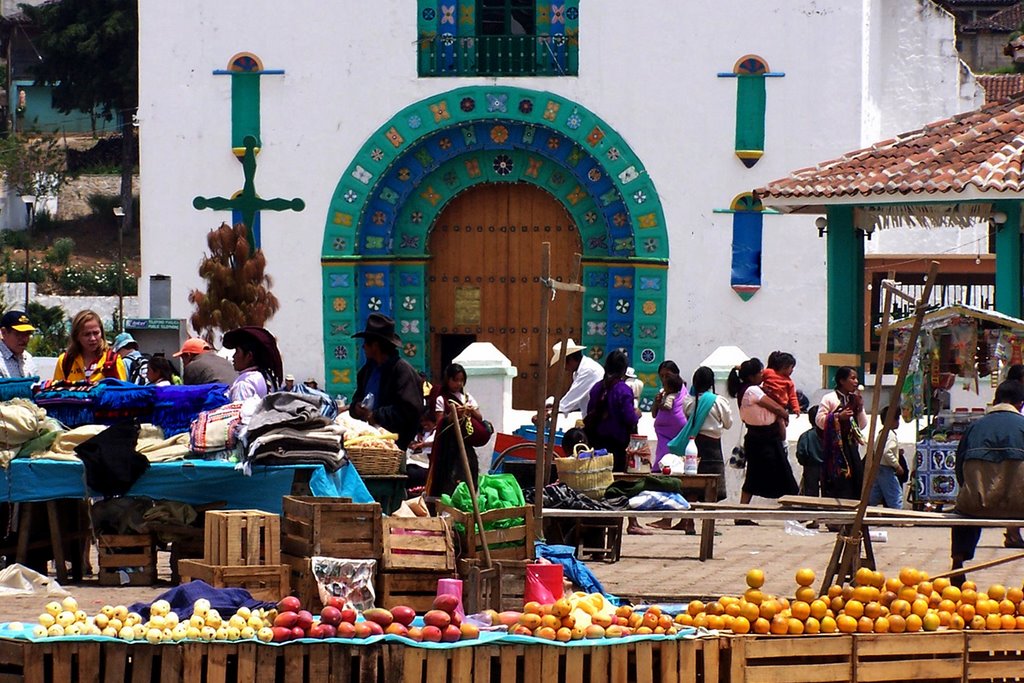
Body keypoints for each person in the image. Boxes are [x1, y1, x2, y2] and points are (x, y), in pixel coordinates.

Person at [949, 380, 1024, 585]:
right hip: (1021, 507)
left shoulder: (975, 427)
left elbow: (959, 469)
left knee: (963, 508)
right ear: (1020, 404)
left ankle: (958, 561)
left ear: (995, 400)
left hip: (977, 506)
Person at [583, 349, 647, 535]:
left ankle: (600, 523)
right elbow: (629, 418)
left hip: (597, 444)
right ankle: (630, 522)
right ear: (624, 370)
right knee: (622, 483)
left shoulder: (597, 388)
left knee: (601, 483)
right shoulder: (623, 390)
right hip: (618, 446)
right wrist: (637, 414)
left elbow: (589, 413)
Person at [728, 358, 797, 524]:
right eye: (760, 372)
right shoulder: (753, 390)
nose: (762, 374)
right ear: (752, 376)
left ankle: (792, 510)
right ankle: (795, 511)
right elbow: (775, 407)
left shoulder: (747, 389)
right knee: (778, 473)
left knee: (759, 475)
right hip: (763, 438)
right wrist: (785, 414)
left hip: (760, 437)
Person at [349, 313, 423, 451]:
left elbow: (410, 410)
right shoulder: (366, 372)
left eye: (366, 343)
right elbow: (356, 399)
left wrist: (376, 416)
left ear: (375, 345)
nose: (363, 347)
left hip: (395, 447)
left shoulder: (402, 371)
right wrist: (356, 408)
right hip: (368, 445)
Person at [426, 363, 485, 498]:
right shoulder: (442, 399)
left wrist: (470, 410)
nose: (458, 383)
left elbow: (480, 417)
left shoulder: (467, 397)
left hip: (465, 442)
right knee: (450, 476)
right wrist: (452, 415)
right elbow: (440, 421)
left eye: (461, 380)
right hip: (449, 446)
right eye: (455, 380)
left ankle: (469, 501)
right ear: (448, 380)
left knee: (470, 470)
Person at [675, 366, 732, 501]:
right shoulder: (719, 401)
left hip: (694, 445)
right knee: (712, 488)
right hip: (713, 448)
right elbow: (728, 424)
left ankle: (687, 522)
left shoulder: (688, 402)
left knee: (692, 486)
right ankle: (708, 520)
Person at [816, 366, 867, 500]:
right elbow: (819, 421)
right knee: (839, 482)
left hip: (851, 446)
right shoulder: (829, 398)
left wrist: (860, 408)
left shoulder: (854, 400)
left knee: (856, 478)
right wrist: (838, 417)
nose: (856, 382)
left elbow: (861, 425)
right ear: (842, 380)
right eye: (852, 378)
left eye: (856, 378)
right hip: (835, 448)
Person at [53, 310, 127, 383]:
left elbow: (124, 392)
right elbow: (55, 392)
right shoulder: (65, 361)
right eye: (87, 334)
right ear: (76, 336)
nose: (92, 338)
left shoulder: (113, 361)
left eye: (96, 333)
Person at [222, 326, 283, 402]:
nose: (233, 356)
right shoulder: (267, 377)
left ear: (249, 356)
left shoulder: (244, 384)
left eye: (237, 351)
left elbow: (240, 412)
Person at [550, 339, 603, 416]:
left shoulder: (588, 370)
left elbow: (573, 396)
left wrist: (553, 411)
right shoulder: (578, 372)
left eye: (563, 363)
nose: (564, 368)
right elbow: (577, 400)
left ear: (570, 360)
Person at [868, 404, 905, 509]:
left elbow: (879, 449)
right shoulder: (891, 435)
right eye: (897, 419)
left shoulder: (882, 433)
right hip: (886, 469)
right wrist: (897, 465)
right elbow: (886, 452)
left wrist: (897, 451)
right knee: (895, 494)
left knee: (874, 494)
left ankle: (865, 512)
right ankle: (899, 519)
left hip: (878, 467)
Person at [652, 371, 687, 471]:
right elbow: (654, 414)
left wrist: (660, 405)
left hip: (671, 434)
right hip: (663, 434)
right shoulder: (668, 394)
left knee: (666, 455)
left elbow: (668, 406)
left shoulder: (671, 396)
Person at [762, 351, 800, 438]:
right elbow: (758, 375)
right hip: (768, 403)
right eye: (791, 367)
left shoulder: (789, 382)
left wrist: (796, 408)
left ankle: (783, 440)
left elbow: (792, 396)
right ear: (784, 366)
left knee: (781, 422)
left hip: (781, 406)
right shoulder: (768, 372)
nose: (792, 370)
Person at [174, 338, 238, 386]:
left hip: (218, 400)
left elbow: (189, 394)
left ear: (188, 355)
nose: (183, 363)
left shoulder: (192, 366)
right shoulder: (224, 361)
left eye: (182, 358)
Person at [796, 405, 825, 498]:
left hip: (811, 467)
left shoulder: (806, 436)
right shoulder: (831, 435)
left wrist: (805, 463)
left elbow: (801, 453)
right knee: (828, 493)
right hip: (828, 467)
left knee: (811, 494)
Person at [0, 310, 37, 378]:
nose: (24, 339)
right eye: (18, 334)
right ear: (4, 332)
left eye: (27, 334)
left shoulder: (28, 358)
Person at [405, 409, 436, 491]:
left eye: (427, 421)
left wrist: (423, 445)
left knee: (415, 474)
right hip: (416, 461)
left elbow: (436, 442)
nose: (424, 424)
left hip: (429, 463)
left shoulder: (436, 432)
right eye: (422, 421)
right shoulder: (421, 434)